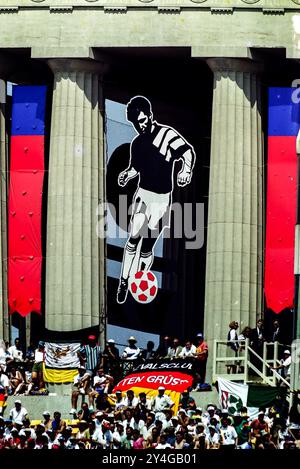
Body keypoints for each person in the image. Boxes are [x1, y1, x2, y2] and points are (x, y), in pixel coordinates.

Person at [116, 95, 196, 304]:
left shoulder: (167, 135)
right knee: (134, 235)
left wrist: (186, 171)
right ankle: (124, 281)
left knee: (147, 246)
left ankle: (139, 277)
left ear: (150, 116)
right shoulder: (137, 143)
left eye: (142, 121)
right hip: (143, 194)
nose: (140, 126)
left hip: (162, 198)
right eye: (136, 123)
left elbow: (187, 152)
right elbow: (136, 168)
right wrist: (128, 174)